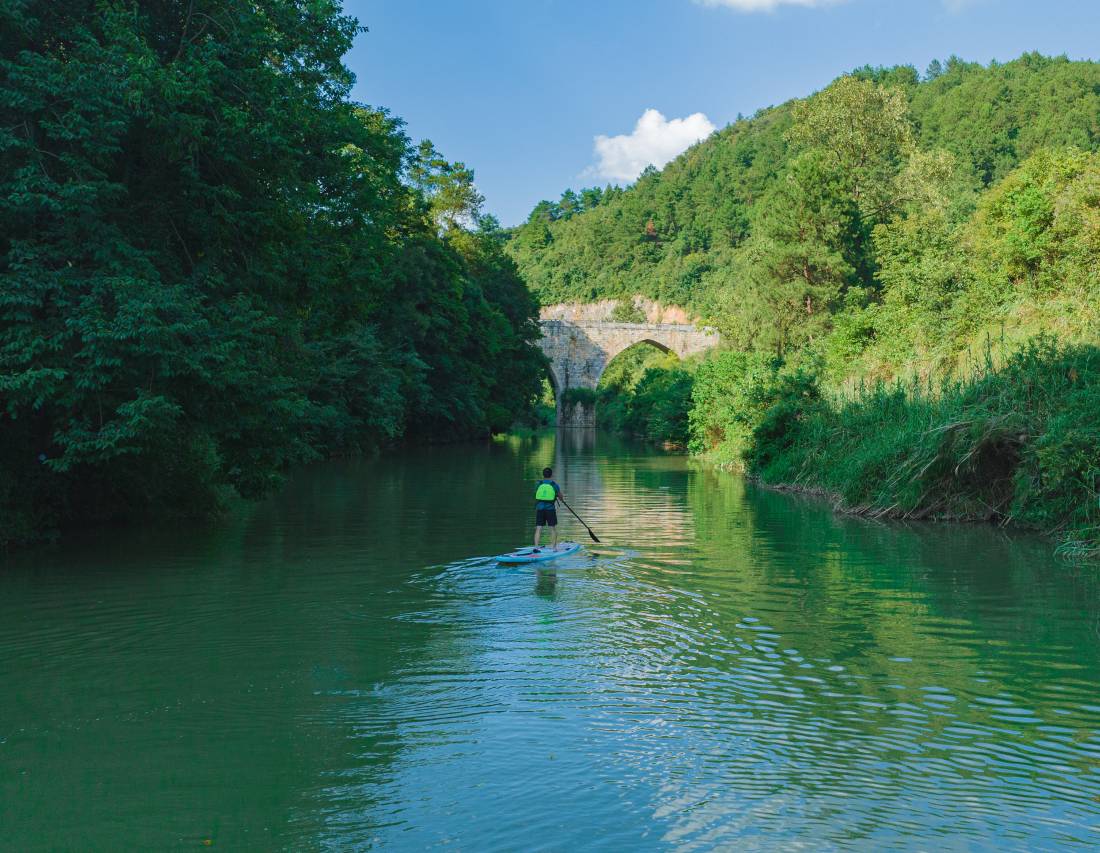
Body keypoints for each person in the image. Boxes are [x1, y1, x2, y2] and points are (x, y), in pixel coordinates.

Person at [533, 467, 563, 552]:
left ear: (543, 475)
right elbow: (560, 497)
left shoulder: (538, 484)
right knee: (552, 528)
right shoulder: (554, 485)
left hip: (540, 508)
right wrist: (559, 497)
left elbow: (536, 494)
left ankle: (536, 547)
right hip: (550, 509)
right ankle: (554, 548)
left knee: (538, 528)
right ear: (551, 475)